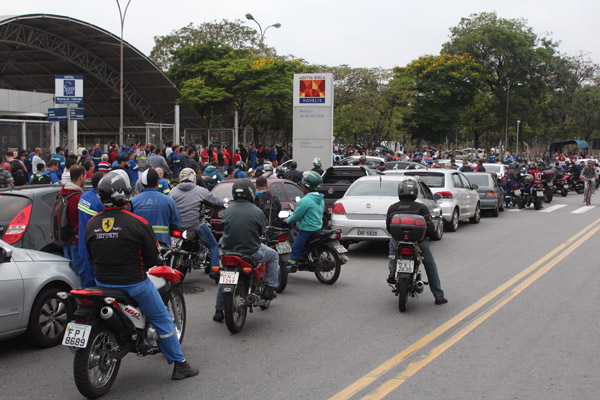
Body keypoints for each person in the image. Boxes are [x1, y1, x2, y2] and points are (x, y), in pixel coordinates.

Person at [85, 170, 199, 380]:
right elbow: (153, 260)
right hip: (133, 284)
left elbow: (91, 256)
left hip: (102, 282)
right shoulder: (138, 223)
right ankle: (180, 364)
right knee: (163, 319)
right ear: (126, 195)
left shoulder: (91, 224)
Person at [215, 178, 279, 322]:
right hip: (251, 252)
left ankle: (218, 310)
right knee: (273, 255)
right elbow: (262, 232)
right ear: (251, 192)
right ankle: (270, 287)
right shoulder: (257, 211)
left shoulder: (228, 210)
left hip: (228, 253)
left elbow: (224, 227)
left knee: (225, 275)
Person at [386, 179, 447, 305]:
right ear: (415, 192)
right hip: (418, 242)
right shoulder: (421, 207)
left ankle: (392, 271)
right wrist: (427, 236)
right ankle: (439, 296)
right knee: (430, 265)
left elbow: (389, 228)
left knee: (392, 252)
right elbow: (430, 228)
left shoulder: (393, 208)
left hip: (398, 241)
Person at [169, 167, 226, 279]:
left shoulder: (173, 192)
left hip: (178, 227)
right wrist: (225, 203)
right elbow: (216, 201)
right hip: (196, 225)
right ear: (193, 178)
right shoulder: (200, 190)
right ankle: (215, 269)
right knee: (213, 245)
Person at [284, 171, 325, 272]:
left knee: (295, 250)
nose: (301, 188)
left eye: (302, 186)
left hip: (306, 231)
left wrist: (287, 221)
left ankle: (289, 267)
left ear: (306, 187)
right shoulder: (321, 199)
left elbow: (296, 216)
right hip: (318, 229)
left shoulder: (305, 200)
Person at [132, 169, 181, 244]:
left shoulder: (133, 202)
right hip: (163, 245)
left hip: (140, 245)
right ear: (157, 182)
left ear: (142, 183)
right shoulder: (168, 201)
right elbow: (176, 224)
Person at [77, 172, 105, 287]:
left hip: (83, 243)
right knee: (94, 282)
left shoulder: (84, 196)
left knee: (85, 279)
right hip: (95, 247)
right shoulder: (100, 202)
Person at [60, 165, 86, 267]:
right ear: (81, 177)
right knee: (79, 272)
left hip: (65, 238)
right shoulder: (78, 197)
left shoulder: (63, 193)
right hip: (77, 241)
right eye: (85, 177)